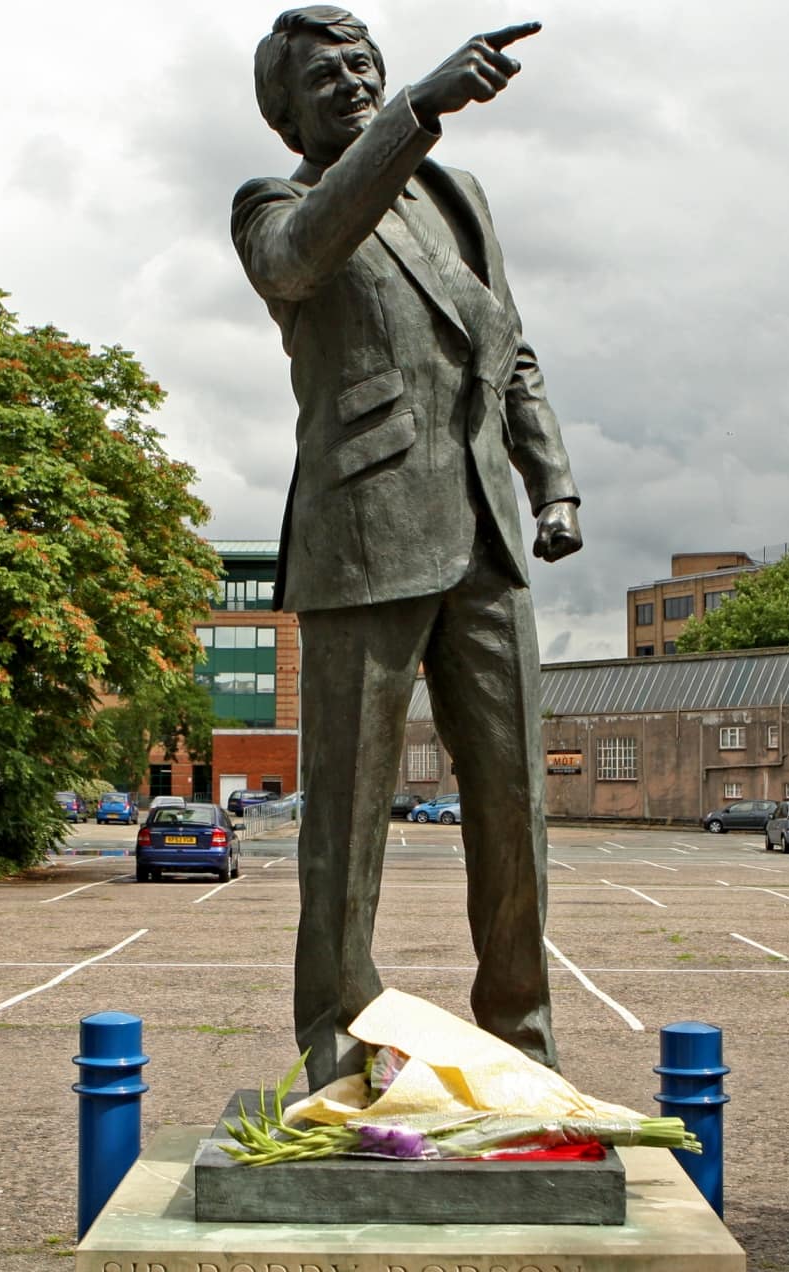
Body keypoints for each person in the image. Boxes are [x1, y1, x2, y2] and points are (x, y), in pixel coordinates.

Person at [234, 9, 581, 1087]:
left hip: (483, 529)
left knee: (514, 805)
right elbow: (299, 264)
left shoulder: (458, 197)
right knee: (344, 817)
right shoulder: (274, 202)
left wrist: (550, 478)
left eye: (364, 66)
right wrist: (416, 110)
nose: (350, 80)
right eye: (324, 74)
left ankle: (521, 1046)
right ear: (282, 111)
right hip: (363, 529)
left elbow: (506, 345)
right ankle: (337, 1040)